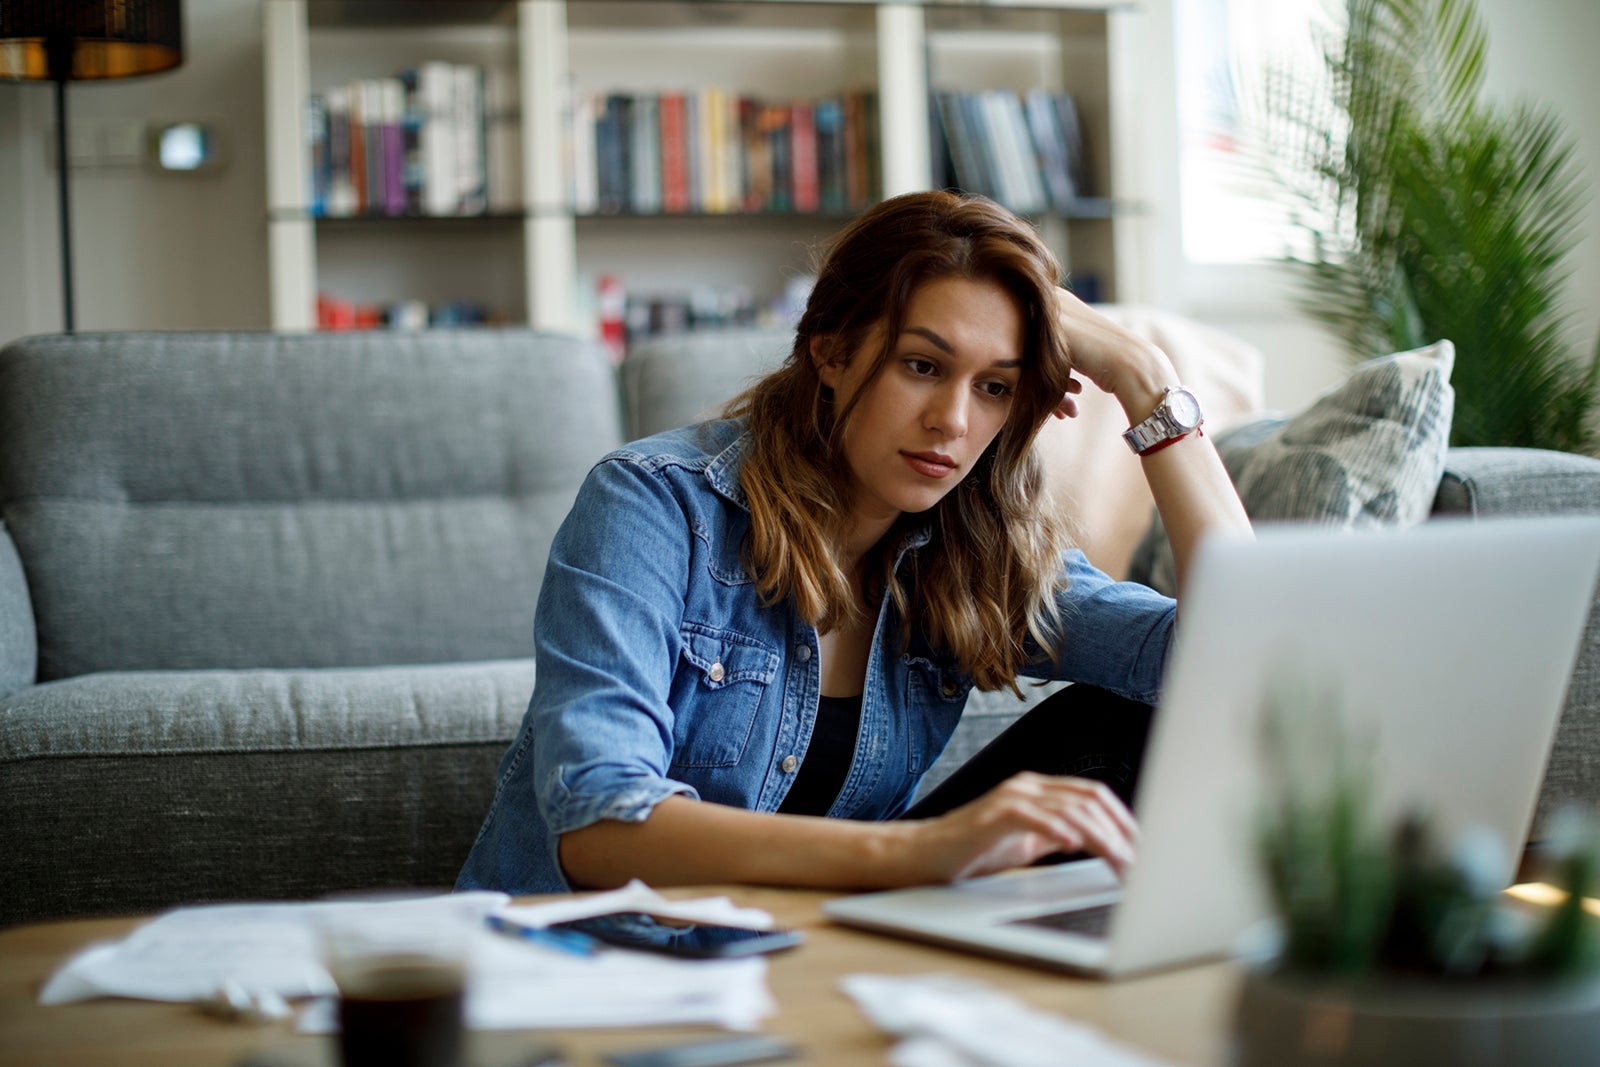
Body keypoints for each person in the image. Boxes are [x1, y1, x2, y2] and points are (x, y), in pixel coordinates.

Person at [457, 190, 1251, 898]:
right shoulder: (654, 503)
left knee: (1140, 722)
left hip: (824, 952)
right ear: (830, 351)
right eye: (922, 365)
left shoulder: (974, 549)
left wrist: (1147, 384)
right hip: (604, 960)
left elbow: (1244, 662)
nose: (953, 419)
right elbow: (599, 825)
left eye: (995, 387)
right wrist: (922, 851)